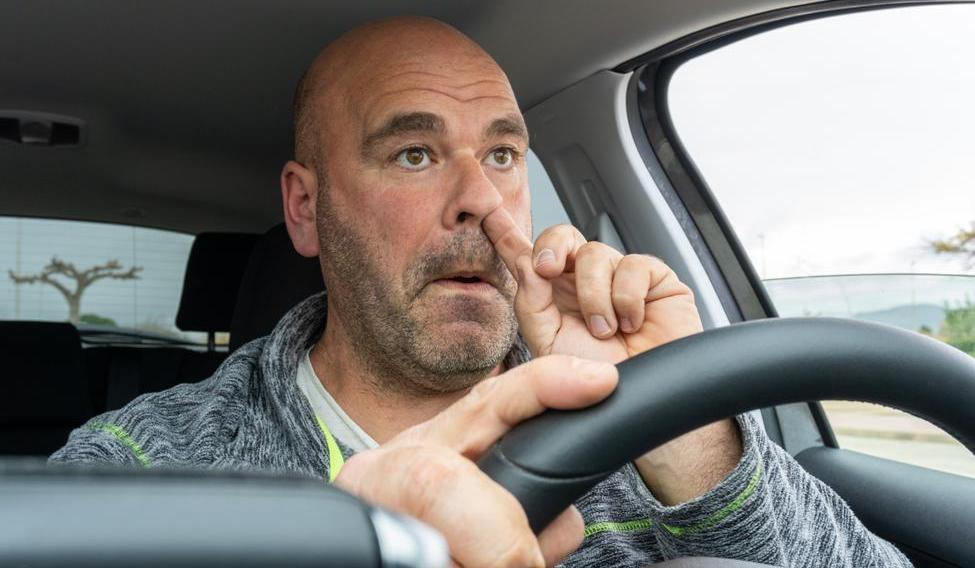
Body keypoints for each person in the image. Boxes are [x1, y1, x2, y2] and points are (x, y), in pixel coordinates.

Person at [52, 17, 911, 568]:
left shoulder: (632, 422)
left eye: (502, 154)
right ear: (306, 209)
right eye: (413, 154)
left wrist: (680, 424)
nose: (481, 198)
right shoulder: (142, 465)